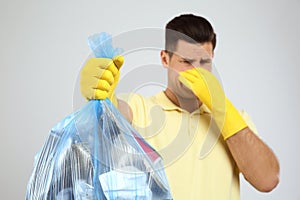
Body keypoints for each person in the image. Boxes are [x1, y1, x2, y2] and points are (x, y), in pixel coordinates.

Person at [80, 14, 280, 199]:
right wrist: (102, 97)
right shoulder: (139, 108)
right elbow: (104, 124)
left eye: (204, 62)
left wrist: (221, 109)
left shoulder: (236, 119)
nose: (197, 71)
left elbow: (267, 180)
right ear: (165, 59)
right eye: (186, 61)